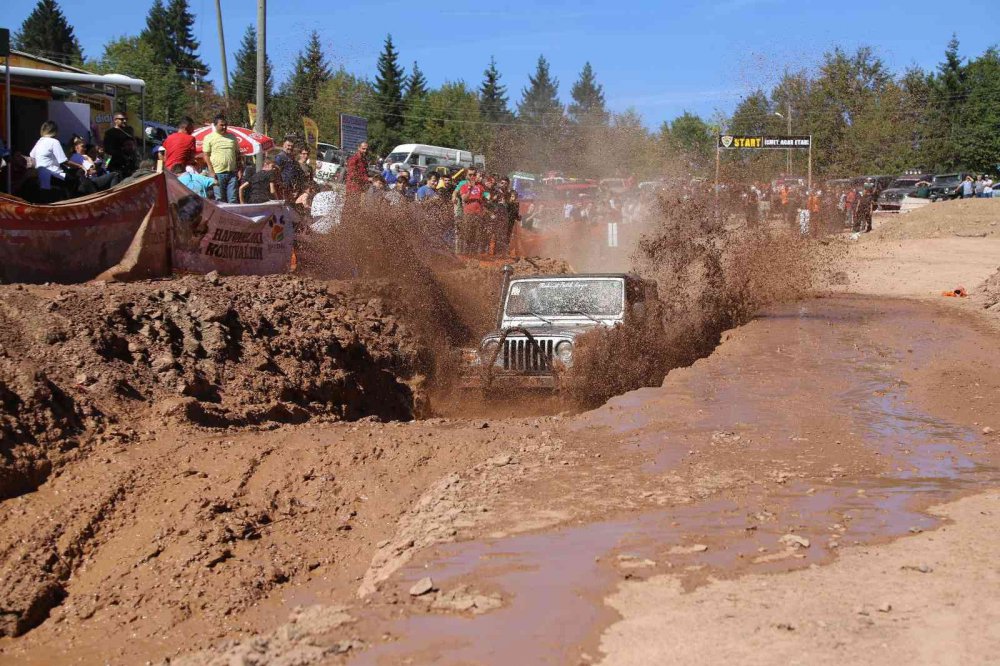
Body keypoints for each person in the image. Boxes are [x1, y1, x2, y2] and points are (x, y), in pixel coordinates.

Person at [29, 121, 86, 201]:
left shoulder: (40, 141)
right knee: (75, 180)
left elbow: (32, 155)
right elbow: (63, 161)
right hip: (54, 174)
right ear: (55, 131)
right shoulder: (54, 142)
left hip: (41, 175)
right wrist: (81, 166)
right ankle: (73, 202)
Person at [201, 114, 241, 203]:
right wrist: (211, 171)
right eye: (221, 125)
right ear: (215, 125)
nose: (224, 127)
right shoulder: (209, 138)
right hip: (217, 173)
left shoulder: (232, 137)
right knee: (219, 199)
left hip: (232, 173)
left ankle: (233, 217)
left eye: (225, 125)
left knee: (233, 199)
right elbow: (206, 155)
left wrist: (239, 169)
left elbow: (237, 153)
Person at [103, 112, 138, 179]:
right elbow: (107, 149)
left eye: (126, 119)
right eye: (122, 119)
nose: (124, 121)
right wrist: (121, 154)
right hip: (117, 163)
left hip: (131, 161)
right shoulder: (110, 132)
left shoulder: (130, 130)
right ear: (115, 120)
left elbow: (134, 142)